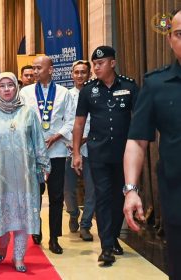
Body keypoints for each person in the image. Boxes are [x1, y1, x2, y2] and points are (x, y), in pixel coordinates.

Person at [123, 8, 181, 280]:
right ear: (170, 39)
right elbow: (137, 140)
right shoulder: (156, 84)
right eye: (180, 34)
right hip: (177, 196)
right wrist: (131, 190)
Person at [0, 72, 51, 272]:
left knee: (22, 218)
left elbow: (38, 142)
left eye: (10, 85)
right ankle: (2, 243)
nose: (7, 89)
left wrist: (44, 165)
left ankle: (19, 258)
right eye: (2, 86)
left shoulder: (28, 113)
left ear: (16, 88)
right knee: (3, 216)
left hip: (25, 178)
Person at [73, 46, 138, 265]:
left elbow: (138, 119)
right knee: (102, 196)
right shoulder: (88, 90)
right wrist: (75, 153)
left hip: (124, 155)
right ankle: (106, 246)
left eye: (100, 63)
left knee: (120, 196)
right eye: (94, 64)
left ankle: (113, 237)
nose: (96, 68)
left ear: (112, 63)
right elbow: (79, 123)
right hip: (98, 153)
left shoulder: (129, 86)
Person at [20, 55, 74, 254]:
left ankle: (54, 238)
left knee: (57, 196)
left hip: (57, 152)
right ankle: (36, 226)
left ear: (50, 70)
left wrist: (57, 136)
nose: (35, 72)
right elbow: (20, 120)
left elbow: (70, 120)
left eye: (39, 68)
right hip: (33, 153)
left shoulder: (63, 93)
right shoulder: (25, 93)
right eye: (33, 68)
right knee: (35, 194)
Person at [63, 60, 95, 241]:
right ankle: (73, 213)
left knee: (92, 189)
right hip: (69, 147)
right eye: (77, 72)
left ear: (89, 74)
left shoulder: (95, 93)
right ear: (72, 75)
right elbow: (64, 120)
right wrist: (73, 141)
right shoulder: (66, 95)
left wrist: (86, 138)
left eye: (84, 72)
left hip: (91, 147)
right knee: (68, 188)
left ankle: (86, 225)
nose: (80, 75)